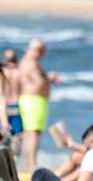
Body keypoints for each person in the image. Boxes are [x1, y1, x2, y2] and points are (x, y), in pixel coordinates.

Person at [13, 39, 61, 172]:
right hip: (34, 100)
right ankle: (32, 164)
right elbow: (38, 82)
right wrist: (49, 78)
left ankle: (28, 164)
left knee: (29, 133)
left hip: (26, 99)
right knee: (34, 133)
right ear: (39, 50)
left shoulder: (23, 62)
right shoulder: (32, 63)